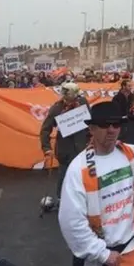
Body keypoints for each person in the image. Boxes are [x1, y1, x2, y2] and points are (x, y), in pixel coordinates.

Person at [58, 101, 134, 266]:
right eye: (104, 125)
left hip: (130, 250)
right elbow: (71, 222)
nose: (111, 130)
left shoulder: (133, 154)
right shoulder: (78, 168)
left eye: (116, 124)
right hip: (97, 259)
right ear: (92, 129)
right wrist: (103, 255)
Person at [39, 82, 90, 211]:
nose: (76, 97)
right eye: (73, 95)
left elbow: (90, 122)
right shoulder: (57, 109)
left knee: (83, 176)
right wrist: (47, 148)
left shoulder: (83, 103)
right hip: (65, 150)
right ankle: (61, 201)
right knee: (64, 176)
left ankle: (84, 201)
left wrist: (92, 139)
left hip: (82, 148)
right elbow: (45, 129)